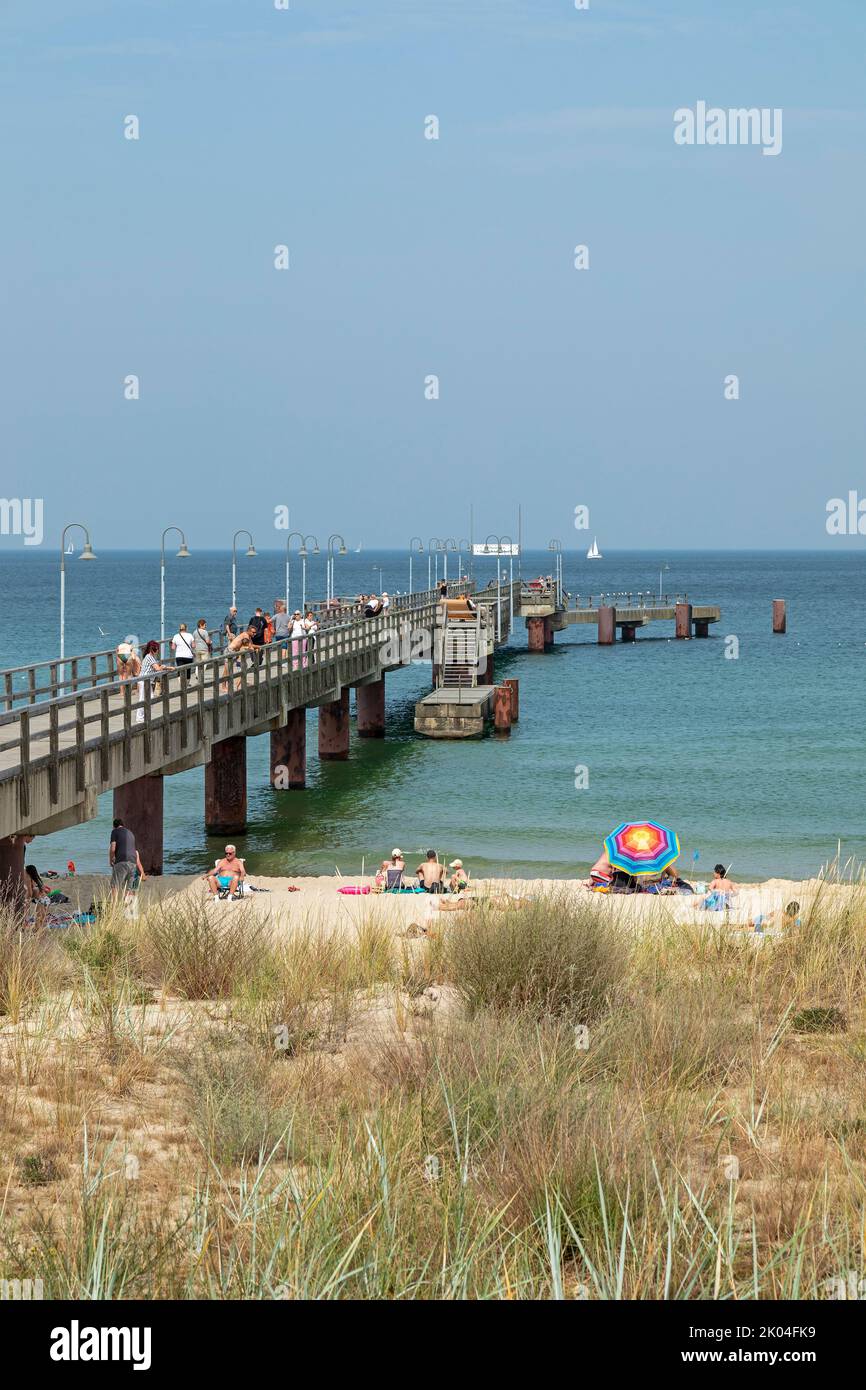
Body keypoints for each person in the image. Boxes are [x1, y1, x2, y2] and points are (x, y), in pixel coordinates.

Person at [109, 818, 146, 893]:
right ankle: (128, 903)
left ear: (114, 826)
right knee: (129, 889)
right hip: (133, 864)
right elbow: (138, 861)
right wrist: (143, 875)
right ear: (123, 825)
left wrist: (111, 860)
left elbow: (113, 848)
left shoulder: (115, 831)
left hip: (121, 861)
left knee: (114, 886)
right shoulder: (131, 833)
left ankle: (114, 904)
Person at [25, 864, 51, 928]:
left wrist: (26, 900)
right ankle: (41, 933)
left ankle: (38, 933)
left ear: (28, 872)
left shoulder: (30, 880)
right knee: (42, 919)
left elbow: (30, 893)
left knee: (38, 919)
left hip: (40, 901)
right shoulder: (37, 879)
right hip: (46, 900)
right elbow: (45, 890)